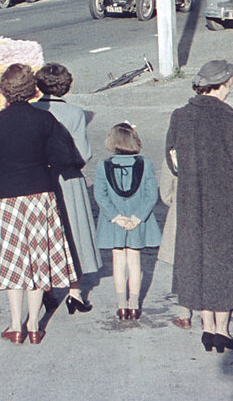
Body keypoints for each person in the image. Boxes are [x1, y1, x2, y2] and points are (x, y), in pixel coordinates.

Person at [0, 63, 81, 345]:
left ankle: (16, 325)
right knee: (39, 258)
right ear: (31, 89)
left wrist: (4, 168)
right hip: (40, 193)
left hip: (7, 197)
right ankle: (34, 325)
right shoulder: (44, 119)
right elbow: (66, 157)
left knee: (13, 261)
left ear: (5, 90)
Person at [166, 60, 233, 352]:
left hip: (192, 203)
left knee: (200, 262)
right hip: (227, 204)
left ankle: (207, 328)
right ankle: (221, 330)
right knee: (225, 265)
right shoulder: (229, 118)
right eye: (229, 85)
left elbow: (172, 159)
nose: (229, 90)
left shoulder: (180, 116)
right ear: (221, 85)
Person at [33, 63, 100, 313]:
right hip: (69, 179)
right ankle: (75, 292)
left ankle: (47, 289)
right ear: (66, 85)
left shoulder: (32, 110)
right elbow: (84, 153)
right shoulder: (75, 113)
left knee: (44, 233)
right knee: (74, 232)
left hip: (39, 177)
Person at [93, 123, 161, 320]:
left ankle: (121, 305)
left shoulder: (103, 165)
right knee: (134, 262)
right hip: (137, 221)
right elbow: (151, 195)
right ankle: (134, 304)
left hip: (114, 222)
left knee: (118, 263)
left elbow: (100, 195)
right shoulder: (145, 164)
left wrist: (116, 217)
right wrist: (137, 217)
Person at [157, 159, 192, 328]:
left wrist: (175, 200)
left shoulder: (174, 151)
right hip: (209, 212)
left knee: (183, 262)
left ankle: (185, 314)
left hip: (182, 211)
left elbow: (166, 193)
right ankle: (208, 314)